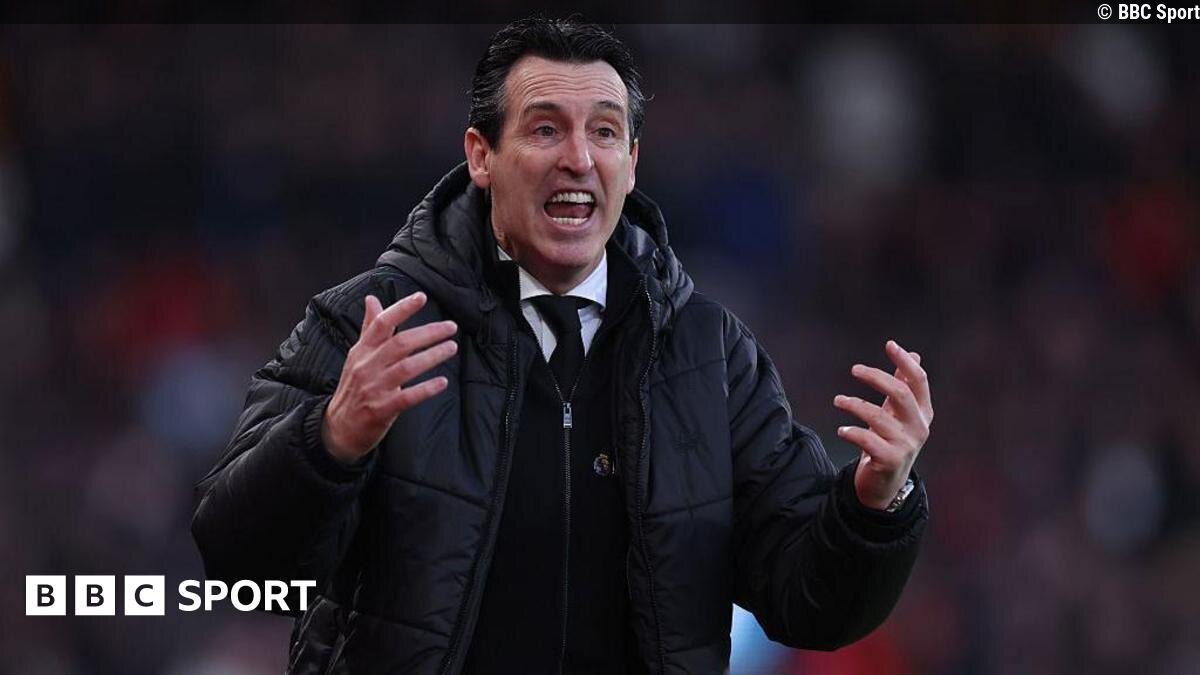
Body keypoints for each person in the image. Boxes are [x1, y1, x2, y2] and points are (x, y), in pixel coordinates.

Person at [192, 18, 933, 675]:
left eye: (603, 132)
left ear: (632, 162)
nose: (578, 158)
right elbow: (239, 565)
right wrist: (331, 441)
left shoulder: (709, 353)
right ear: (481, 156)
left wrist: (875, 503)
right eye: (545, 129)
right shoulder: (373, 323)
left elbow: (809, 605)